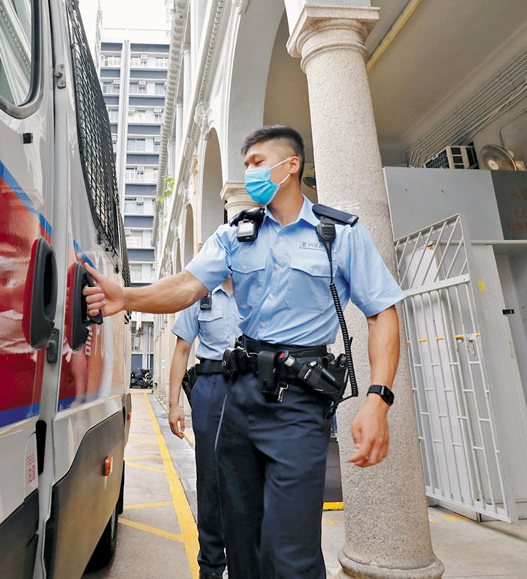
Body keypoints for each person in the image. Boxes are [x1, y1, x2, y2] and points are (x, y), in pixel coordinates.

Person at [84, 125, 405, 578]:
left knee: (290, 551)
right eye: (247, 163)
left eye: (258, 162)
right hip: (240, 400)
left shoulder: (340, 235)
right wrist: (128, 297)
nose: (250, 172)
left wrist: (378, 398)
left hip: (299, 405)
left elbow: (382, 314)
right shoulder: (237, 235)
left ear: (290, 165)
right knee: (242, 541)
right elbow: (187, 286)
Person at [168, 276, 241, 579]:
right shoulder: (199, 293)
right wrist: (175, 404)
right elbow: (182, 349)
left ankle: (244, 565)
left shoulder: (257, 285)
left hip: (249, 385)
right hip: (210, 388)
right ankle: (210, 568)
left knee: (246, 480)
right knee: (210, 480)